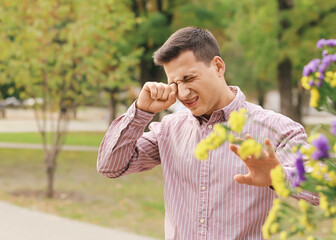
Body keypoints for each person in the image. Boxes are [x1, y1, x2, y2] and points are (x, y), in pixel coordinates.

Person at [97, 27, 318, 240]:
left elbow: (323, 187)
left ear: (218, 67)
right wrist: (141, 112)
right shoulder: (168, 129)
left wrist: (278, 177)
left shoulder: (276, 128)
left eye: (189, 78)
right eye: (174, 83)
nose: (182, 93)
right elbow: (110, 166)